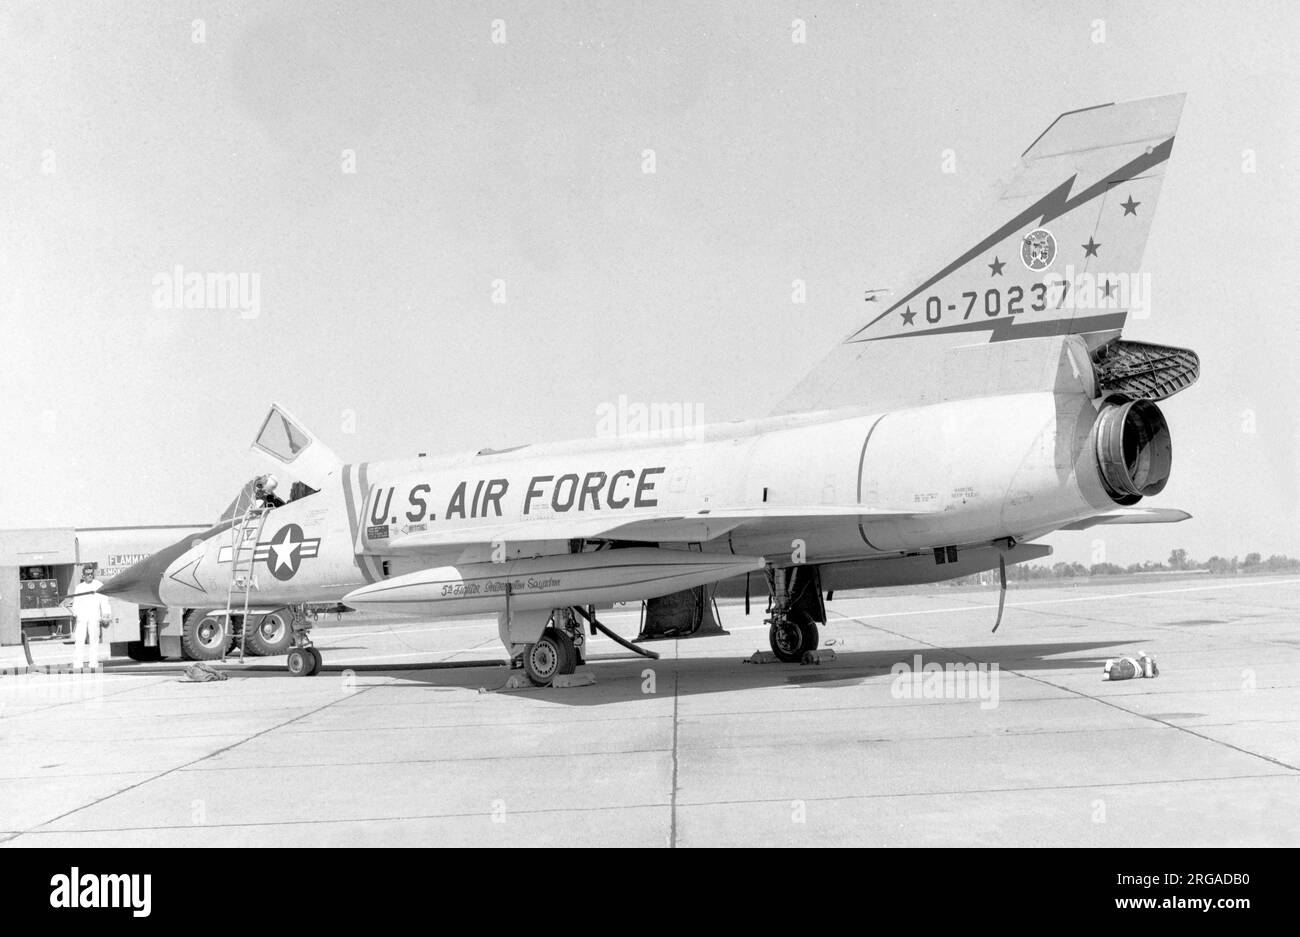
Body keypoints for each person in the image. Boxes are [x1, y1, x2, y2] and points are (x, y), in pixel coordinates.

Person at [69, 565, 111, 670]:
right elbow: (76, 603)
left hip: (94, 616)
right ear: (83, 575)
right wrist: (76, 614)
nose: (90, 576)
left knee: (94, 640)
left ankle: (93, 664)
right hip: (82, 617)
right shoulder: (79, 587)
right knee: (79, 640)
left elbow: (104, 602)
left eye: (91, 574)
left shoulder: (98, 585)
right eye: (87, 574)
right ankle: (78, 664)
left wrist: (105, 615)